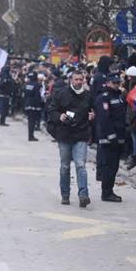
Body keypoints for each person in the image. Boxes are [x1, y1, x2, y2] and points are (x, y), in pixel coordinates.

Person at [47, 69, 94, 207]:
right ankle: (65, 194)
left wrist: (92, 116)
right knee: (65, 166)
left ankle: (83, 195)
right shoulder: (61, 93)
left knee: (81, 165)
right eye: (76, 79)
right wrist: (59, 116)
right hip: (65, 134)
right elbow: (52, 110)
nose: (79, 82)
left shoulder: (87, 95)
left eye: (81, 79)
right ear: (71, 80)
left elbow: (92, 110)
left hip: (81, 134)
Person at [94, 73, 126, 202]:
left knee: (114, 166)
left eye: (118, 82)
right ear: (107, 83)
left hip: (119, 137)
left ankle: (109, 190)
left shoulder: (118, 97)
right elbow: (104, 119)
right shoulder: (103, 98)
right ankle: (106, 193)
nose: (117, 85)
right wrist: (111, 136)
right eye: (114, 83)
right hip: (108, 139)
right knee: (108, 166)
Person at [24, 71, 42, 141]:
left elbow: (25, 94)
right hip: (34, 105)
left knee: (30, 120)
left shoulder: (27, 84)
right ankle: (31, 136)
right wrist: (39, 105)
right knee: (33, 121)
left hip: (27, 103)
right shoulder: (37, 85)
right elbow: (37, 96)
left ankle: (30, 135)